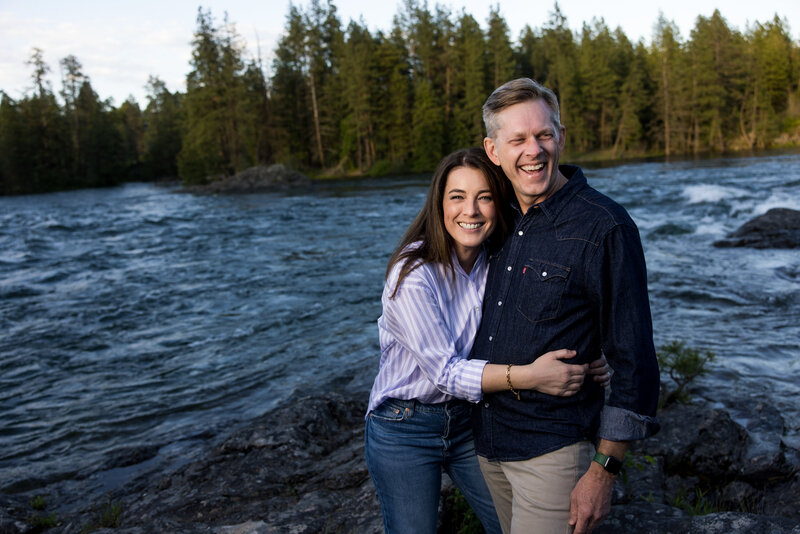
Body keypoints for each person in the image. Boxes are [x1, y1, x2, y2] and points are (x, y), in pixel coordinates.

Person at [365, 147, 611, 534]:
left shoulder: (496, 261)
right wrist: (532, 376)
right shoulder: (412, 274)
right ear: (439, 203)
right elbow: (445, 373)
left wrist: (591, 356)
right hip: (405, 426)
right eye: (457, 197)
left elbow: (538, 319)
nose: (471, 211)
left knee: (510, 526)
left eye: (484, 197)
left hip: (469, 420)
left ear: (499, 205)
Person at [469, 78, 661, 534]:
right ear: (493, 150)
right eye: (517, 139)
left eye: (544, 135)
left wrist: (602, 472)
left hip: (554, 454)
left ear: (561, 135)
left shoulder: (606, 226)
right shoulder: (493, 221)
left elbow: (635, 361)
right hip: (486, 448)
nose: (533, 150)